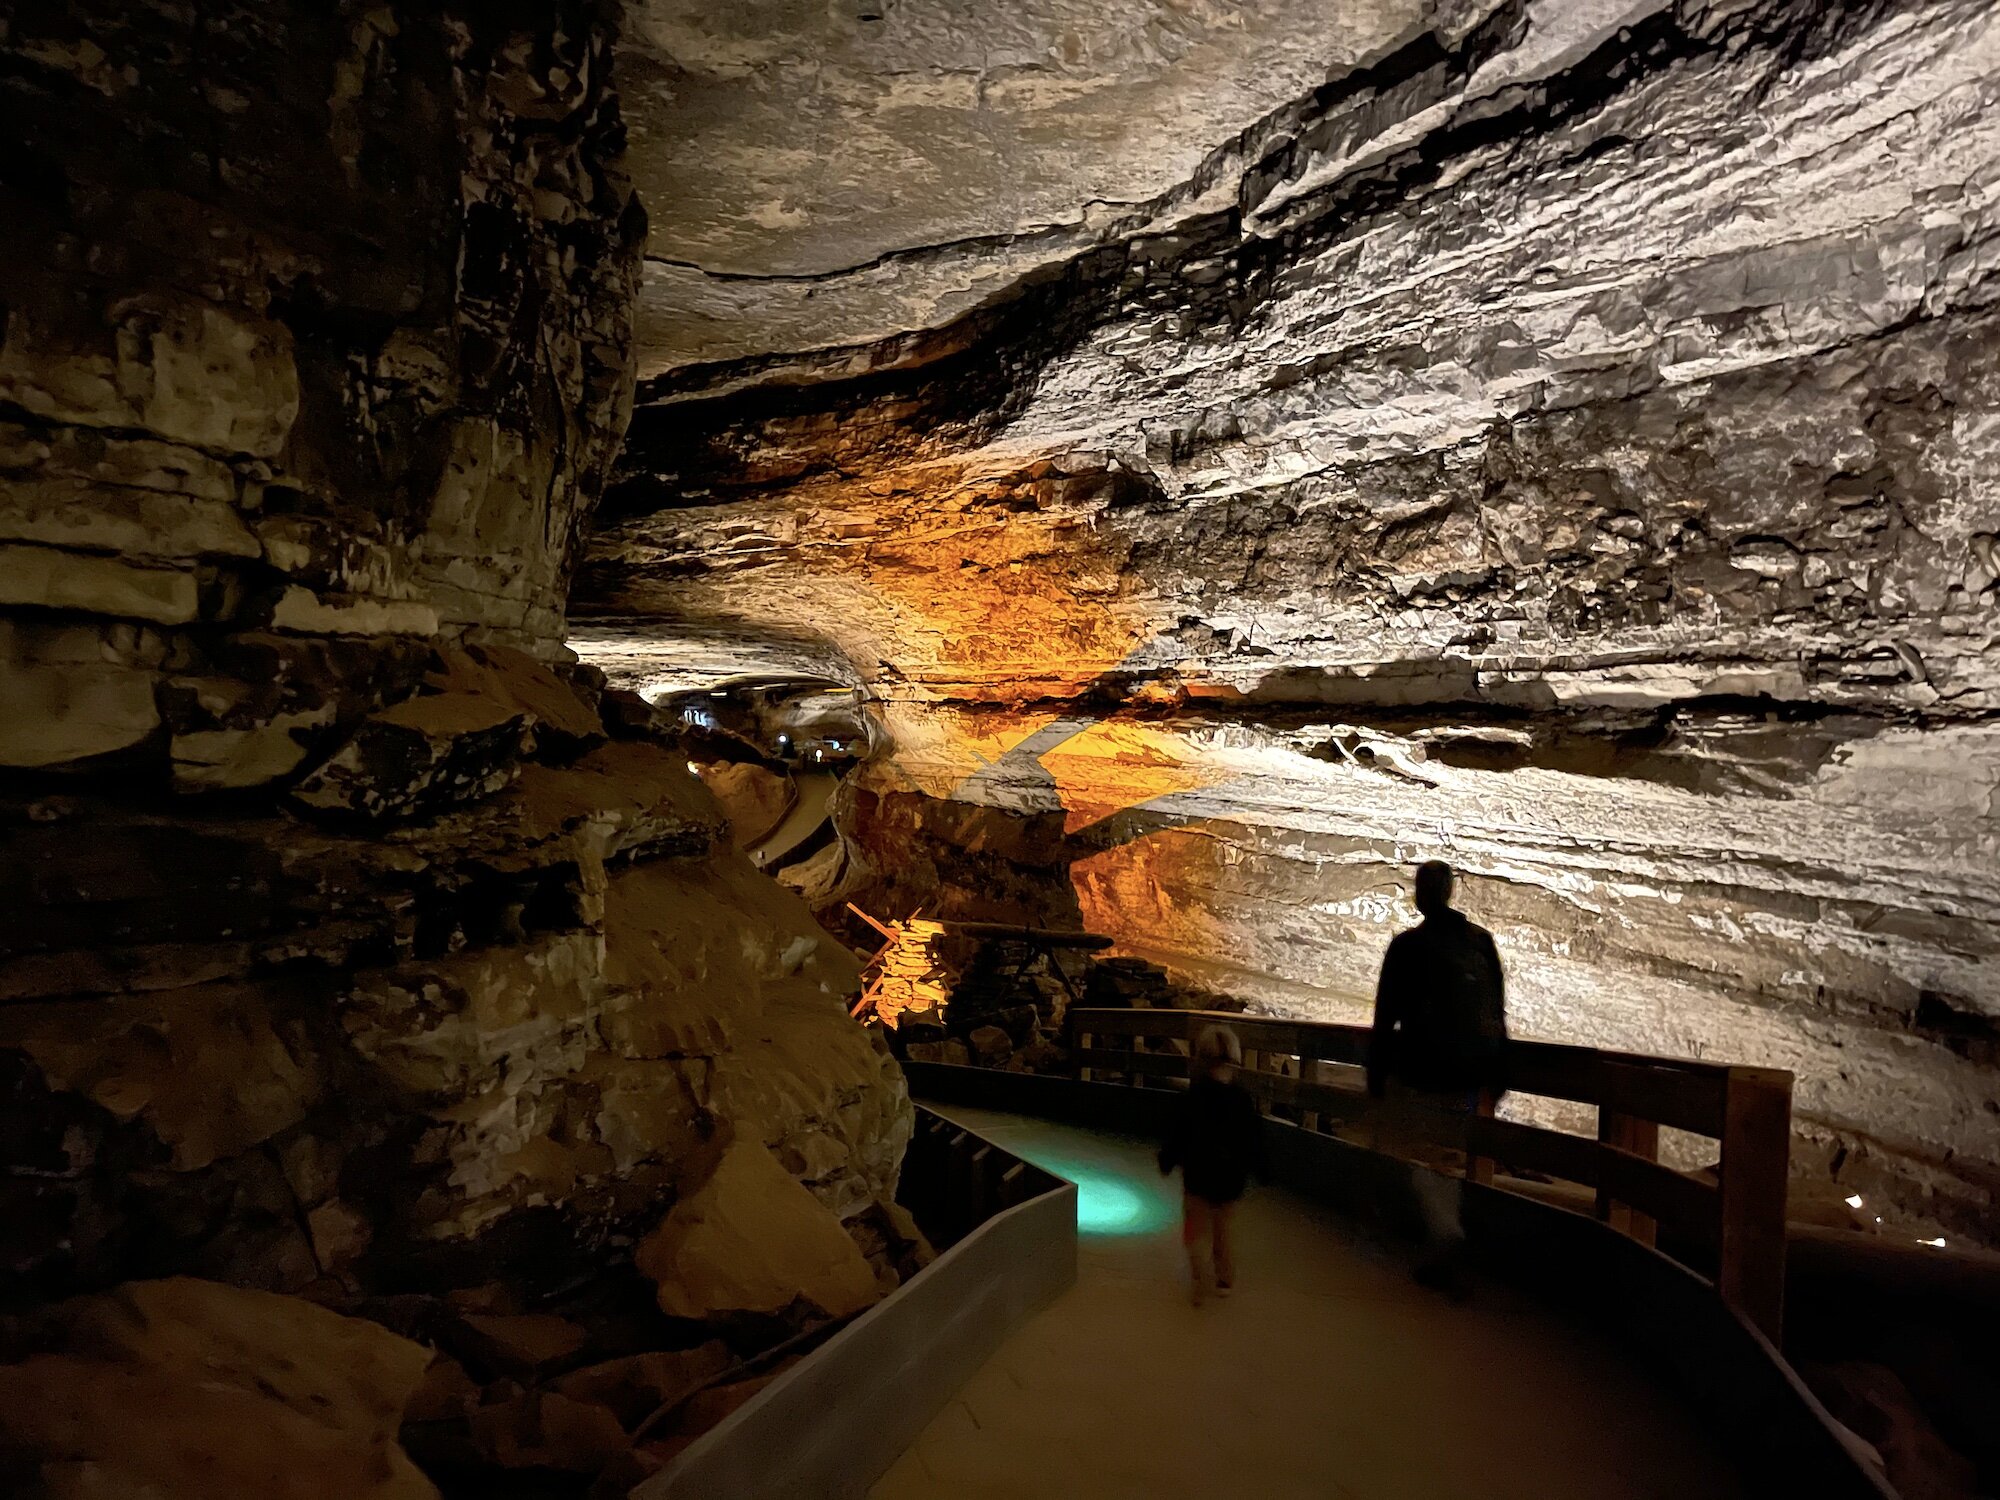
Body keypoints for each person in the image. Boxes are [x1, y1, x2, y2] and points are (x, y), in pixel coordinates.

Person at [1367, 860, 1508, 1293]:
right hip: (1470, 1073)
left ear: (1420, 894)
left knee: (1413, 1152)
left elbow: (1385, 1016)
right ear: (1450, 892)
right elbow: (1498, 1013)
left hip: (1423, 1071)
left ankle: (1444, 1234)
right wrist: (1497, 1074)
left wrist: (1376, 1072)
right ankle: (1444, 1240)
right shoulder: (1481, 942)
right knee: (1448, 1155)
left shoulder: (1408, 946)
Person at [1158, 1024, 1263, 1306]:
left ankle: (1200, 1279)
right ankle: (1225, 1280)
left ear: (1202, 1057)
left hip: (1198, 1174)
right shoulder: (1242, 1100)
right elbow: (1254, 1138)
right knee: (1224, 1230)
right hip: (1231, 1177)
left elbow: (1178, 1134)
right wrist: (1262, 1169)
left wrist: (1167, 1160)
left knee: (1194, 1231)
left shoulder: (1193, 1096)